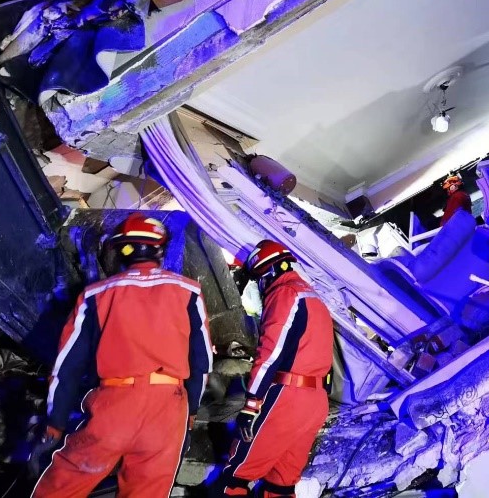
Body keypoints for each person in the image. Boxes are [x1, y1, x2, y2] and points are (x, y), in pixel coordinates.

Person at [32, 213, 213, 498]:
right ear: (160, 250)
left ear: (122, 250)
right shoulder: (188, 291)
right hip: (168, 411)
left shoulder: (96, 294)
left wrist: (55, 421)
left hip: (115, 406)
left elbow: (67, 365)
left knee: (60, 488)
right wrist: (189, 413)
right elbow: (201, 362)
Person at [220, 240, 333, 498]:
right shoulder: (313, 296)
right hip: (315, 400)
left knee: (235, 476)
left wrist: (251, 404)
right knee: (281, 483)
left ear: (267, 274)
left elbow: (270, 354)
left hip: (288, 398)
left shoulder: (285, 294)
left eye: (258, 280)